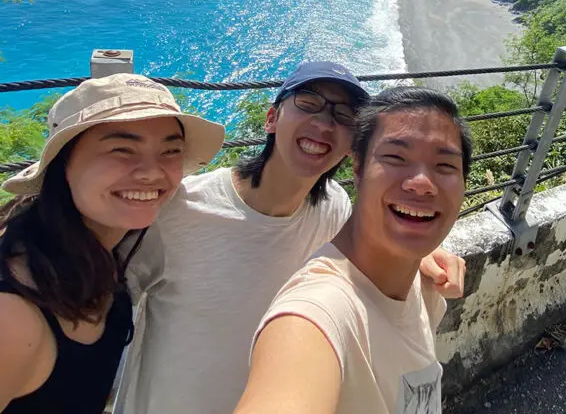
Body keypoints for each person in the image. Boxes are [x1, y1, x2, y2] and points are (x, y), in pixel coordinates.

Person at [117, 62, 467, 414]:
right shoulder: (182, 209)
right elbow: (98, 309)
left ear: (352, 149)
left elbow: (371, 242)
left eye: (344, 115)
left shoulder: (333, 209)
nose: (324, 123)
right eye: (308, 102)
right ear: (271, 119)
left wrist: (418, 251)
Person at [235, 86, 472, 414]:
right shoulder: (316, 315)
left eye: (445, 166)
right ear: (357, 170)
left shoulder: (422, 286)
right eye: (395, 157)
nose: (421, 182)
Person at [0, 74, 224, 414]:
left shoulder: (102, 255)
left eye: (170, 151)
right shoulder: (13, 317)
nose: (151, 172)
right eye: (122, 149)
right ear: (63, 163)